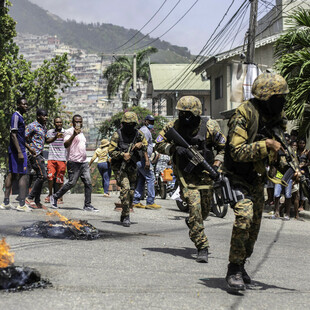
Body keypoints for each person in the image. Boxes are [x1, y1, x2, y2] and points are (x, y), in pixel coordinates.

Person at [223, 72, 295, 291]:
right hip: (237, 176)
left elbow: (281, 149)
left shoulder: (275, 118)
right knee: (244, 218)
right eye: (278, 97)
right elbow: (236, 151)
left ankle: (242, 265)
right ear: (266, 97)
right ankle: (233, 269)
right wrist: (267, 146)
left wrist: (292, 169)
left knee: (253, 228)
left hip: (256, 179)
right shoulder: (243, 114)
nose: (281, 102)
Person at [155, 96, 226, 263]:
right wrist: (173, 148)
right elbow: (158, 143)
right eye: (182, 114)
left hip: (206, 174)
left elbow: (224, 148)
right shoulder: (173, 126)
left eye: (189, 114)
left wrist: (216, 165)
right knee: (195, 207)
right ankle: (202, 246)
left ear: (197, 114)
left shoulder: (210, 127)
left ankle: (193, 223)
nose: (185, 118)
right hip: (185, 175)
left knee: (205, 211)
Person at [50, 115, 98, 212]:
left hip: (83, 162)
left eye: (80, 121)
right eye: (76, 121)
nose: (78, 123)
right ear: (73, 122)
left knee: (88, 183)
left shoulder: (82, 133)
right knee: (72, 183)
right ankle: (55, 196)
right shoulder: (68, 132)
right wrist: (74, 135)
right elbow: (66, 144)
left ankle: (87, 205)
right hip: (73, 162)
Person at [109, 112, 149, 227]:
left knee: (131, 192)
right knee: (125, 189)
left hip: (132, 166)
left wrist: (140, 145)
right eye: (127, 124)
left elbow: (146, 145)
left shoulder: (138, 134)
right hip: (119, 167)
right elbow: (111, 152)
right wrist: (122, 154)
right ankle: (126, 215)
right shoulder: (117, 135)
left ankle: (124, 211)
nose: (129, 126)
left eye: (132, 124)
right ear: (123, 124)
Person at [1, 98, 32, 212]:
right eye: (23, 104)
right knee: (23, 175)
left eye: (26, 104)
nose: (26, 106)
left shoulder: (21, 117)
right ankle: (22, 204)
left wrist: (29, 148)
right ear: (18, 105)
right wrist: (19, 151)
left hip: (19, 149)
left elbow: (20, 137)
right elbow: (13, 135)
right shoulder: (16, 116)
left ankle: (6, 203)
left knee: (12, 174)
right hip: (17, 150)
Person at [133, 115, 161, 209]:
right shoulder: (145, 131)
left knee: (141, 179)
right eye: (150, 122)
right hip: (143, 159)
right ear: (145, 121)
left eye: (153, 122)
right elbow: (143, 147)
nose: (151, 124)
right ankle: (150, 202)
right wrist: (147, 161)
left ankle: (136, 200)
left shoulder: (144, 130)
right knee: (151, 178)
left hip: (140, 159)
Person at [25, 108, 49, 209]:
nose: (46, 118)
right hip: (34, 154)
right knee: (43, 176)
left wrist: (56, 137)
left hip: (41, 154)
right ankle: (29, 198)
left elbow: (47, 140)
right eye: (44, 116)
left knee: (41, 176)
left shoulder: (43, 127)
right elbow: (22, 138)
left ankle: (37, 201)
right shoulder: (32, 126)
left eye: (46, 116)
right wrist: (30, 149)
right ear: (38, 116)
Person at [45, 117, 66, 204]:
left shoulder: (66, 132)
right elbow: (47, 141)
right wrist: (55, 137)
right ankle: (50, 194)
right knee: (50, 177)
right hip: (51, 158)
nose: (59, 124)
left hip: (61, 158)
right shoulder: (50, 132)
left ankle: (60, 196)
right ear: (54, 123)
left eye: (60, 122)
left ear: (62, 123)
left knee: (60, 179)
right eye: (57, 122)